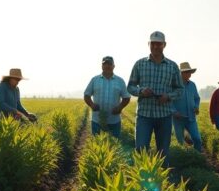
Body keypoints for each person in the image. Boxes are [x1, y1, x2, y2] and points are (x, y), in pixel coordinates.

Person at [127, 31, 184, 167]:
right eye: (153, 43)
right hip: (144, 115)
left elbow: (180, 89)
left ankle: (163, 183)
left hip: (164, 115)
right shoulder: (139, 64)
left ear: (164, 45)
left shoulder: (172, 66)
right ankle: (141, 182)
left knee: (163, 153)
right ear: (148, 44)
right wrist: (141, 91)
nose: (156, 46)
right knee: (141, 150)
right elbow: (130, 87)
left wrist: (168, 96)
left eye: (159, 44)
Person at [84, 56, 131, 137]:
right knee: (97, 145)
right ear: (102, 66)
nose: (107, 66)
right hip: (97, 121)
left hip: (114, 121)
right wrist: (92, 105)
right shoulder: (94, 80)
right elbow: (86, 95)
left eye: (109, 64)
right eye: (105, 64)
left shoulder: (120, 81)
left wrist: (119, 108)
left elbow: (126, 97)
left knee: (113, 147)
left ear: (114, 66)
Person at [171, 62, 202, 152]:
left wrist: (196, 106)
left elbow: (197, 98)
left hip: (191, 118)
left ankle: (197, 157)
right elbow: (169, 101)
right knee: (180, 142)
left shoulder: (192, 85)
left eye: (190, 72)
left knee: (197, 139)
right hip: (178, 119)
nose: (189, 74)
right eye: (187, 72)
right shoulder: (174, 85)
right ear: (181, 73)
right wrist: (174, 112)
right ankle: (182, 159)